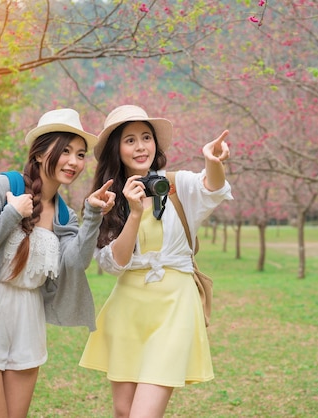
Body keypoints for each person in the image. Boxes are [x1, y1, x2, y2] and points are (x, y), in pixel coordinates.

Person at [0, 108, 115, 418]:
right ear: (41, 153)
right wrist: (12, 214)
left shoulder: (65, 214)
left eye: (80, 154)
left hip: (27, 326)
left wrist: (93, 215)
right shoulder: (1, 187)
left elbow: (75, 263)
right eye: (65, 150)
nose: (73, 161)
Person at [79, 105, 233, 417]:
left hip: (174, 307)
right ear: (116, 149)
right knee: (123, 411)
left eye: (146, 137)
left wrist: (213, 162)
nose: (141, 146)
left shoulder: (176, 184)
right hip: (128, 310)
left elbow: (212, 188)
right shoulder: (109, 197)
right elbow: (113, 264)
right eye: (130, 140)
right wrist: (134, 213)